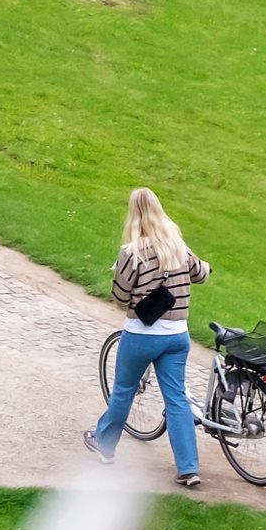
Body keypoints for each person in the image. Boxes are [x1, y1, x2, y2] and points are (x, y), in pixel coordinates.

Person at [86, 187, 209, 489]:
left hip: (142, 335)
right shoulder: (176, 244)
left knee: (125, 390)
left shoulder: (133, 252)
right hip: (178, 336)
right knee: (177, 398)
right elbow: (201, 274)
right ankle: (188, 468)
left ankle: (105, 444)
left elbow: (119, 296)